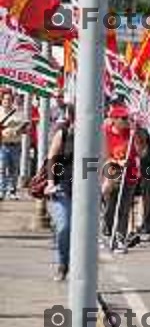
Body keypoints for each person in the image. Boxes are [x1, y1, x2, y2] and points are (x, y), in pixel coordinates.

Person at [102, 104, 140, 253]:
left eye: (128, 118)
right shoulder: (105, 133)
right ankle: (108, 230)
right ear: (114, 120)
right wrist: (117, 162)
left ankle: (119, 238)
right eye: (123, 119)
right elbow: (103, 155)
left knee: (124, 207)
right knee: (111, 206)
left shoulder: (131, 133)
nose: (126, 121)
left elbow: (141, 152)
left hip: (130, 173)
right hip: (111, 171)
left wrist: (136, 134)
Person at [45, 104, 75, 281]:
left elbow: (102, 161)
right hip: (62, 187)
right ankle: (63, 263)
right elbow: (52, 158)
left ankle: (77, 265)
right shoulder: (63, 134)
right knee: (64, 226)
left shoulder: (95, 136)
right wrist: (50, 183)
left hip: (85, 190)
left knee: (82, 232)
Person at [0, 89, 28, 200]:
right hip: (2, 145)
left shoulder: (18, 112)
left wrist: (18, 130)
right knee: (1, 168)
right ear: (2, 100)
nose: (7, 101)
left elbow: (26, 127)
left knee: (14, 169)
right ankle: (1, 191)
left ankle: (12, 191)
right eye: (5, 99)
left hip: (15, 145)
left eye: (9, 99)